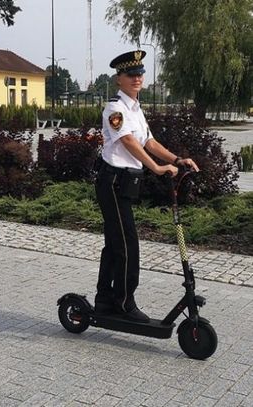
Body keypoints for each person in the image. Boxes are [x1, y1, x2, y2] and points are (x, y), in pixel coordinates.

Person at [94, 50, 199, 322]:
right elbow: (128, 141)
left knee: (114, 243)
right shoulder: (114, 109)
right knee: (128, 245)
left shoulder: (136, 110)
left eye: (140, 73)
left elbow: (148, 142)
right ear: (119, 79)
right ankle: (125, 304)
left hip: (126, 183)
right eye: (131, 74)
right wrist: (156, 167)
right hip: (113, 182)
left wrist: (177, 159)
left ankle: (105, 300)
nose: (137, 78)